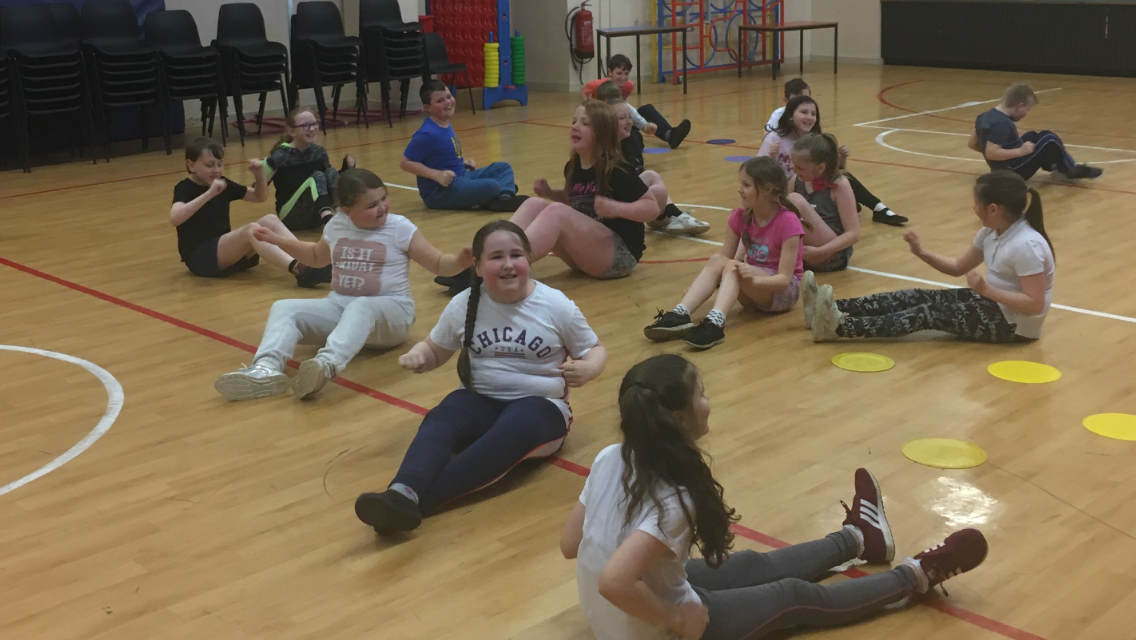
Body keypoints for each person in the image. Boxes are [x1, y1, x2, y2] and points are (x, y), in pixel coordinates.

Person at [561, 353, 989, 640]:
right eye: (702, 394)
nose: (708, 402)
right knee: (793, 596)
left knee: (751, 565)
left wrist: (645, 563)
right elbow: (615, 581)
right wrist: (677, 617)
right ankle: (917, 575)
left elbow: (570, 544)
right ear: (679, 418)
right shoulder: (673, 501)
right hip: (662, 630)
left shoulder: (609, 456)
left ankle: (860, 539)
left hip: (620, 620)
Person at [354, 221, 607, 534]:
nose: (508, 264)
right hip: (478, 399)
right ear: (477, 266)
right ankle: (403, 489)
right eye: (496, 257)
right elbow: (435, 349)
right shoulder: (464, 303)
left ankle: (414, 503)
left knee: (516, 426)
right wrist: (419, 356)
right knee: (442, 417)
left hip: (540, 407)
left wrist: (589, 368)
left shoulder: (556, 306)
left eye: (516, 255)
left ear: (529, 259)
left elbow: (596, 350)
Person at [213, 169, 474, 401]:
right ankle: (265, 370)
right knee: (284, 308)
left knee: (362, 305)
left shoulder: (400, 228)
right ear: (348, 211)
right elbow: (316, 257)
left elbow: (438, 264)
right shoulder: (337, 225)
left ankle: (325, 366)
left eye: (384, 198)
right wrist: (278, 240)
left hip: (393, 315)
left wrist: (460, 261)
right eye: (371, 205)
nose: (382, 207)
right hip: (341, 308)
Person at [810, 170, 1054, 343]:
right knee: (916, 297)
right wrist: (921, 252)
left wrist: (986, 290)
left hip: (1014, 326)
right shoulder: (992, 231)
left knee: (928, 313)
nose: (974, 209)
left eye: (977, 204)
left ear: (993, 209)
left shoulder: (1027, 245)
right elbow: (958, 267)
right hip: (993, 303)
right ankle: (828, 308)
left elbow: (1035, 304)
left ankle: (838, 327)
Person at [643, 157, 805, 350]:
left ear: (767, 190)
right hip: (753, 285)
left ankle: (715, 324)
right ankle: (681, 312)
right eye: (741, 184)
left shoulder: (788, 221)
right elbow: (723, 261)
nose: (740, 190)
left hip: (782, 292)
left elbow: (785, 280)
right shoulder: (740, 216)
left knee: (732, 266)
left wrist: (753, 280)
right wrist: (699, 289)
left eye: (746, 185)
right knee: (718, 260)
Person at [507, 100, 661, 280]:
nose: (575, 127)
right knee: (534, 204)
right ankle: (496, 252)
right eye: (574, 121)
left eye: (585, 123)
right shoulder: (572, 167)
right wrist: (549, 193)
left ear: (602, 133)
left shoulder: (617, 170)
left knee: (556, 212)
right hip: (588, 251)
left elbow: (652, 208)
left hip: (620, 256)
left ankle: (507, 265)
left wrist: (616, 208)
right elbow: (577, 202)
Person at [170, 136, 330, 287]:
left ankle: (311, 260)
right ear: (191, 165)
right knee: (252, 230)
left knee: (269, 220)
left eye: (220, 164)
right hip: (201, 258)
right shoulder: (185, 187)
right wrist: (209, 194)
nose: (216, 170)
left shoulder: (222, 183)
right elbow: (175, 218)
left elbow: (259, 197)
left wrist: (259, 175)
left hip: (226, 252)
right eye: (209, 165)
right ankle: (300, 270)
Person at [762, 88, 906, 226]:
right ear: (790, 115)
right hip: (786, 190)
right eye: (804, 112)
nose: (809, 117)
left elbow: (832, 173)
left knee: (843, 177)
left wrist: (842, 158)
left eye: (813, 114)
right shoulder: (774, 139)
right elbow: (759, 174)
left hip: (810, 188)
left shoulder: (815, 141)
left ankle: (876, 207)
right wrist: (771, 158)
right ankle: (856, 204)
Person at [596, 80, 710, 237]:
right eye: (623, 118)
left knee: (651, 175)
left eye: (630, 117)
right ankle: (669, 214)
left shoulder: (617, 143)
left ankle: (665, 217)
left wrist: (646, 126)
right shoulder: (605, 148)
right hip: (608, 209)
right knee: (658, 192)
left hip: (615, 199)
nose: (629, 122)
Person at [401, 80, 528, 212]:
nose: (447, 102)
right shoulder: (427, 133)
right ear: (428, 108)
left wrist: (462, 164)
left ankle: (503, 198)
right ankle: (501, 193)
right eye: (440, 101)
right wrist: (437, 175)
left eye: (449, 97)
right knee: (492, 186)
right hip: (440, 192)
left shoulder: (444, 124)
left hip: (461, 177)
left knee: (503, 168)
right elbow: (405, 163)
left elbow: (441, 157)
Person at [969, 82, 1102, 181]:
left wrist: (1000, 159)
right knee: (1049, 139)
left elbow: (972, 143)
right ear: (1019, 106)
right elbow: (991, 153)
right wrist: (1019, 152)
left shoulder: (984, 116)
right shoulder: (1001, 124)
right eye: (1027, 109)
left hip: (1004, 167)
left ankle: (1056, 166)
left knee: (1032, 136)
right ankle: (1071, 170)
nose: (1026, 113)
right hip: (1012, 171)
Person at [264, 106, 355, 231]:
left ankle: (340, 216)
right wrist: (259, 171)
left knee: (330, 171)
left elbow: (327, 183)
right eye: (305, 126)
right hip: (291, 217)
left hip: (316, 215)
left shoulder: (319, 152)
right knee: (317, 176)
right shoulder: (280, 155)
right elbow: (259, 189)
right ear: (292, 131)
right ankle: (330, 223)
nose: (312, 129)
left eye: (314, 124)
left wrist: (346, 169)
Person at [583, 54, 691, 150]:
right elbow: (584, 91)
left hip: (621, 120)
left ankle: (670, 135)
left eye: (626, 73)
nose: (623, 77)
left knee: (647, 109)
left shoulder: (629, 85)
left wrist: (640, 123)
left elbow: (626, 106)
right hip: (606, 124)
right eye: (619, 73)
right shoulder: (598, 85)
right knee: (634, 137)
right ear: (610, 72)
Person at [787, 133, 860, 272]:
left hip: (831, 254)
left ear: (820, 168)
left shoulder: (839, 184)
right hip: (806, 254)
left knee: (794, 200)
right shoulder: (795, 181)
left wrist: (819, 251)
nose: (794, 170)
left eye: (800, 168)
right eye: (793, 164)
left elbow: (854, 234)